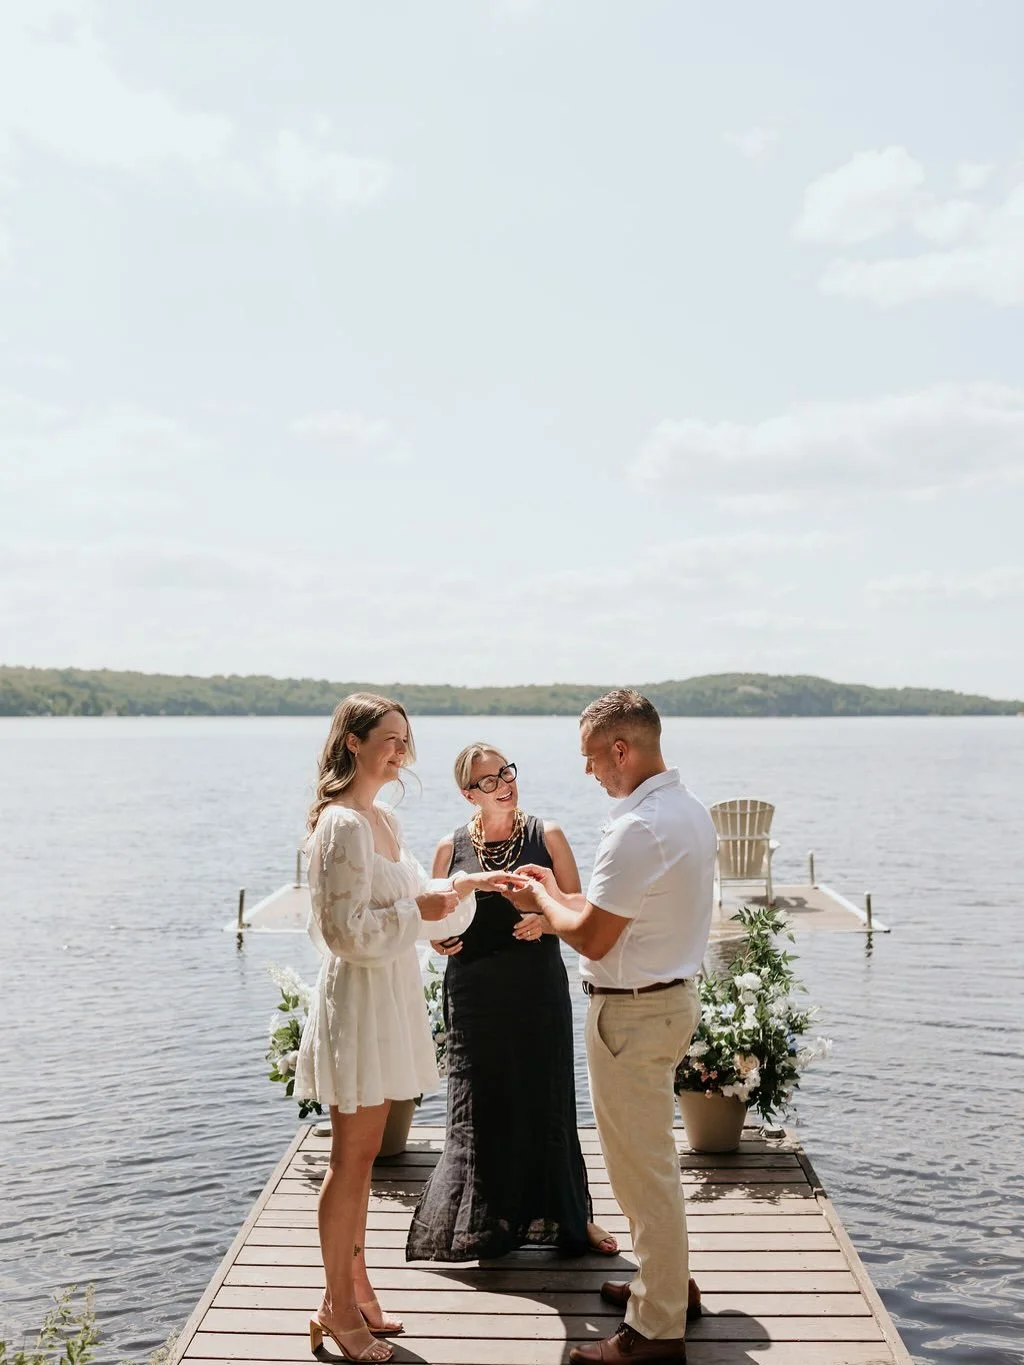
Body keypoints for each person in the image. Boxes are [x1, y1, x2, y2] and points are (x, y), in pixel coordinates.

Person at [294, 695, 512, 1362]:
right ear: (353, 743)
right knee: (348, 1160)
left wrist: (467, 889)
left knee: (361, 1160)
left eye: (404, 740)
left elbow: (424, 898)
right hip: (357, 1001)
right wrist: (419, 913)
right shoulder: (341, 826)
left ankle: (354, 1285)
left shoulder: (381, 819)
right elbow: (344, 931)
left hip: (386, 997)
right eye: (389, 739)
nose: (400, 752)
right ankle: (335, 1305)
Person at [506, 690, 717, 1364]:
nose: (590, 772)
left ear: (621, 750)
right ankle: (666, 1286)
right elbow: (617, 915)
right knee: (647, 1158)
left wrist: (542, 898)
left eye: (593, 759)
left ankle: (654, 1332)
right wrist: (559, 893)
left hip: (631, 1014)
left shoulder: (635, 829)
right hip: (666, 1000)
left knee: (641, 1169)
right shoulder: (686, 811)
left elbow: (594, 938)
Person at [405, 743, 618, 1262]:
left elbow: (579, 908)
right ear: (467, 794)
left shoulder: (547, 835)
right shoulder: (448, 847)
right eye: (488, 780)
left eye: (506, 772)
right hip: (473, 993)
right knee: (477, 1105)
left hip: (535, 988)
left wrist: (546, 921)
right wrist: (435, 939)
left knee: (546, 1100)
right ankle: (481, 1223)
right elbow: (431, 918)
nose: (504, 783)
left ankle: (573, 1218)